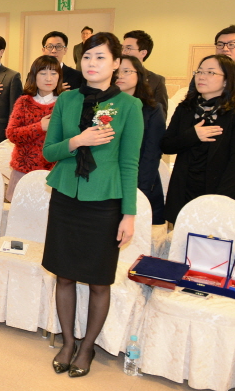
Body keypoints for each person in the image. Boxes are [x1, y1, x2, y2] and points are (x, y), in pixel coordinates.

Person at [42, 32, 143, 378]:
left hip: (105, 202)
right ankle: (68, 342)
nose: (92, 64)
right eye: (87, 57)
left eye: (100, 57)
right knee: (65, 274)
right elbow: (49, 151)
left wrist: (129, 213)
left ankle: (88, 347)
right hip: (66, 197)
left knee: (100, 281)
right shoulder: (66, 101)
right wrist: (78, 140)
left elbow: (130, 163)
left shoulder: (130, 106)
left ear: (116, 63)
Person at [162, 54, 235, 224]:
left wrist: (218, 200)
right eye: (199, 71)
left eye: (210, 72)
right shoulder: (185, 108)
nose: (201, 76)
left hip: (221, 191)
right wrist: (193, 135)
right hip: (184, 189)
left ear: (226, 80)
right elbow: (167, 145)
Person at [5, 56, 63, 201]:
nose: (49, 78)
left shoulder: (64, 103)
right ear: (34, 76)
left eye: (54, 73)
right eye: (43, 73)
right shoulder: (24, 102)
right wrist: (40, 127)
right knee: (18, 218)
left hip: (54, 174)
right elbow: (12, 134)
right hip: (23, 171)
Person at [116, 55, 166, 225]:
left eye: (126, 71)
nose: (119, 75)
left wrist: (139, 191)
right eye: (116, 71)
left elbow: (152, 154)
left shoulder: (152, 109)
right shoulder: (103, 107)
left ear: (140, 75)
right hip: (110, 182)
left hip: (142, 182)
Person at [122, 30, 168, 118]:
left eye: (128, 48)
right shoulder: (113, 75)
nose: (123, 52)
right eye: (122, 48)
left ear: (143, 53)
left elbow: (161, 116)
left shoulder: (156, 81)